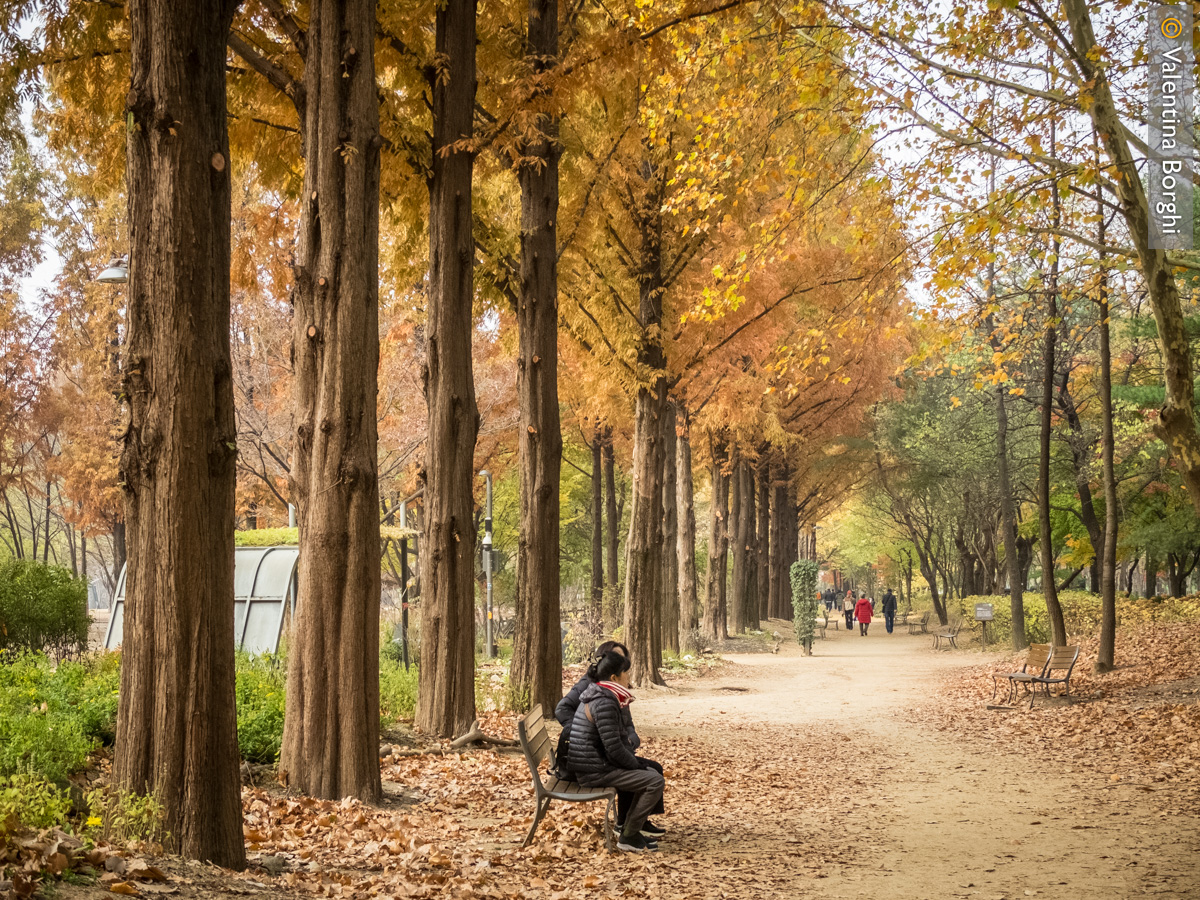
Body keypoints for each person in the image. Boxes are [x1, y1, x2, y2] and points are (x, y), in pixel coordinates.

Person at [567, 650, 666, 852]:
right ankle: (628, 835)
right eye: (626, 673)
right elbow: (613, 748)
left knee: (651, 772)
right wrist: (635, 765)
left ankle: (631, 831)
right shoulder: (604, 701)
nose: (628, 677)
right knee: (654, 780)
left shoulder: (601, 694)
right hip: (594, 772)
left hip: (594, 765)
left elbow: (614, 744)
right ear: (614, 677)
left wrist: (635, 762)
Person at [553, 640, 630, 773]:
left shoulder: (618, 691)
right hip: (594, 761)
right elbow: (562, 709)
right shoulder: (590, 684)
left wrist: (630, 740)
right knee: (648, 776)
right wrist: (586, 734)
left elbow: (628, 724)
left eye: (622, 657)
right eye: (614, 656)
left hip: (614, 749)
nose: (619, 660)